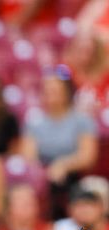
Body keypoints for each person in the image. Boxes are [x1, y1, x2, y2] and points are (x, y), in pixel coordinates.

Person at [20, 65, 98, 219]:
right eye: (46, 91)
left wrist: (63, 165)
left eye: (55, 90)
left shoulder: (81, 120)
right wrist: (46, 172)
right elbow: (28, 157)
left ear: (67, 92)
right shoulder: (34, 121)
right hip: (44, 176)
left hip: (75, 175)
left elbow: (88, 156)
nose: (50, 95)